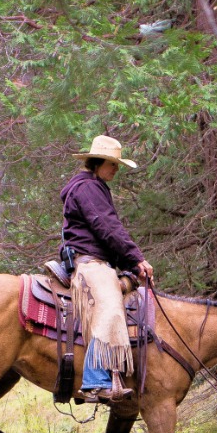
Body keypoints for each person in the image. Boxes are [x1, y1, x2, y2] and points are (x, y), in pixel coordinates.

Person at [60, 135, 155, 403]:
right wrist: (136, 260)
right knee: (110, 305)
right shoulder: (88, 188)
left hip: (98, 260)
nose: (116, 169)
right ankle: (95, 380)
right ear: (98, 162)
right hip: (90, 264)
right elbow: (107, 227)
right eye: (112, 164)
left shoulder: (92, 186)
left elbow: (106, 233)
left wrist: (129, 265)